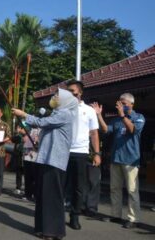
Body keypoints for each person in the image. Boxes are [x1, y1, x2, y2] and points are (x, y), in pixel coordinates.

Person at [12, 88, 78, 240]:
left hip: (55, 161)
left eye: (57, 96)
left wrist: (24, 115)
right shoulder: (57, 113)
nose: (54, 97)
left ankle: (53, 231)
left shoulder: (65, 114)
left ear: (65, 100)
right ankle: (42, 228)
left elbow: (41, 122)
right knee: (43, 195)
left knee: (52, 197)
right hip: (46, 159)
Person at [91, 93, 145, 229]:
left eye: (124, 104)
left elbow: (133, 130)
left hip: (131, 160)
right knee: (114, 188)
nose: (121, 106)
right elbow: (105, 129)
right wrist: (98, 115)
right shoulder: (116, 120)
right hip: (116, 159)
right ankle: (116, 215)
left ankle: (133, 219)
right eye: (119, 103)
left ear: (132, 104)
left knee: (132, 190)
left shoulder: (139, 117)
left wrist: (123, 116)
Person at [65, 80, 101, 230]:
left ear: (80, 92)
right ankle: (56, 214)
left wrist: (97, 153)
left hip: (80, 152)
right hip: (63, 152)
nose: (70, 94)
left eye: (72, 91)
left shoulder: (89, 110)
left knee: (79, 187)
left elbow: (94, 133)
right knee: (62, 184)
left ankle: (74, 216)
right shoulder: (63, 109)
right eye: (68, 91)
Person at [20, 125, 40, 201]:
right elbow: (24, 140)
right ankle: (27, 194)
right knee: (27, 176)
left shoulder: (42, 130)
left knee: (36, 177)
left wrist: (38, 140)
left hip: (36, 156)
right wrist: (23, 139)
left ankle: (36, 194)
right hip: (27, 155)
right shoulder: (28, 129)